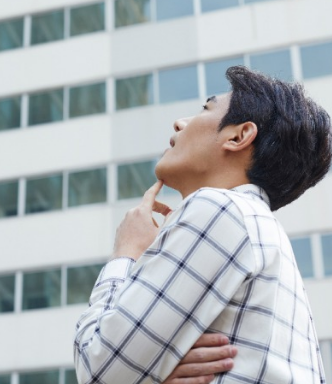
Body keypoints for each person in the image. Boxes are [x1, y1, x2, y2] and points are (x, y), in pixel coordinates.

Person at [74, 66, 331, 383]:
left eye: (206, 109)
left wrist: (126, 252)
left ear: (239, 136)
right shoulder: (268, 236)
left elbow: (98, 367)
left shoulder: (217, 208)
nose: (180, 123)